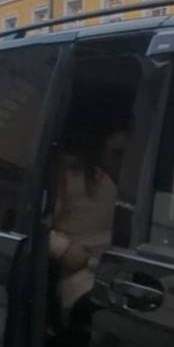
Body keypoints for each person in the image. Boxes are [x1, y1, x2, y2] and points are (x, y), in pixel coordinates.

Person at [48, 105, 129, 316]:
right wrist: (65, 250)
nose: (123, 162)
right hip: (79, 285)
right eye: (117, 154)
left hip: (112, 274)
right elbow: (36, 224)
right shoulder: (71, 176)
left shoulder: (132, 191)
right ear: (100, 148)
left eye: (127, 155)